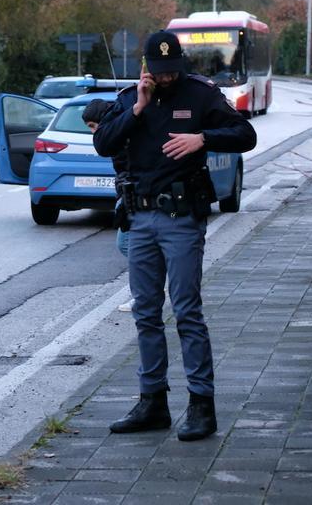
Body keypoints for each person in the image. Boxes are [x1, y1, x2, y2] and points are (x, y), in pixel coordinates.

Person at [93, 30, 256, 441]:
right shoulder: (132, 98)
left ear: (180, 64)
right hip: (141, 220)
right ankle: (153, 402)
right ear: (146, 67)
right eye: (159, 72)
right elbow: (102, 142)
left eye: (172, 71)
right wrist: (138, 109)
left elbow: (245, 135)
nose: (167, 79)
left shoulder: (200, 95)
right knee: (145, 313)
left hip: (182, 219)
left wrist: (203, 138)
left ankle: (202, 406)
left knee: (187, 311)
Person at [82, 99, 133, 312]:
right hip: (127, 193)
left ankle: (145, 290)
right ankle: (146, 288)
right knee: (132, 245)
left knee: (128, 244)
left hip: (131, 194)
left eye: (93, 126)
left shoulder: (118, 135)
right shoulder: (117, 131)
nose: (93, 132)